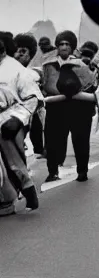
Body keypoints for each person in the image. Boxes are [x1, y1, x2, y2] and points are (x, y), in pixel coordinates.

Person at [41, 31, 98, 183]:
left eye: (67, 44)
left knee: (80, 139)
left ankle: (82, 171)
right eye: (61, 44)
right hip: (56, 107)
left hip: (78, 107)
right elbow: (44, 85)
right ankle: (52, 171)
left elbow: (90, 85)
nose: (64, 47)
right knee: (53, 140)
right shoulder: (48, 65)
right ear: (57, 47)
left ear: (72, 47)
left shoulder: (81, 64)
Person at [0, 32, 42, 216]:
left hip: (10, 117)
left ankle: (27, 192)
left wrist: (17, 119)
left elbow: (33, 98)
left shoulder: (18, 70)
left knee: (14, 162)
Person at [14, 33, 46, 158]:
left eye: (22, 51)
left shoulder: (32, 75)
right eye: (16, 50)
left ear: (29, 55)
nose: (18, 54)